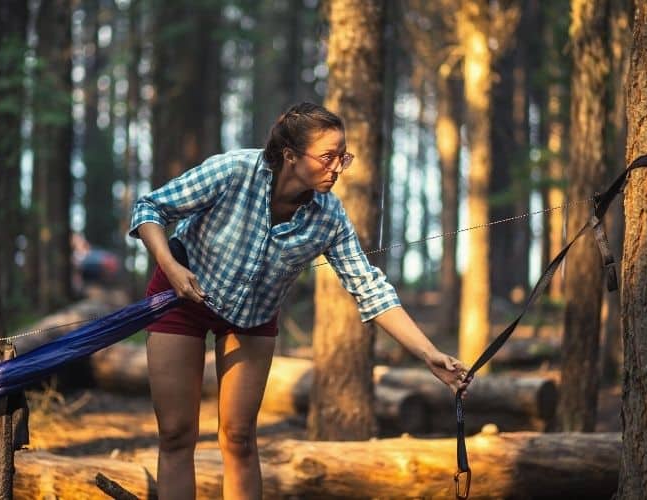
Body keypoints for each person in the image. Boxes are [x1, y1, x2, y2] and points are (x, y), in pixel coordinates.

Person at [129, 102, 471, 500]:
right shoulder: (235, 171)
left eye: (344, 156)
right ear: (290, 155)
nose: (338, 167)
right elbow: (149, 207)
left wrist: (429, 354)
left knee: (238, 436)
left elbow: (370, 287)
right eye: (328, 157)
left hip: (251, 315)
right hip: (181, 296)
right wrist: (169, 266)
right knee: (176, 434)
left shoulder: (329, 217)